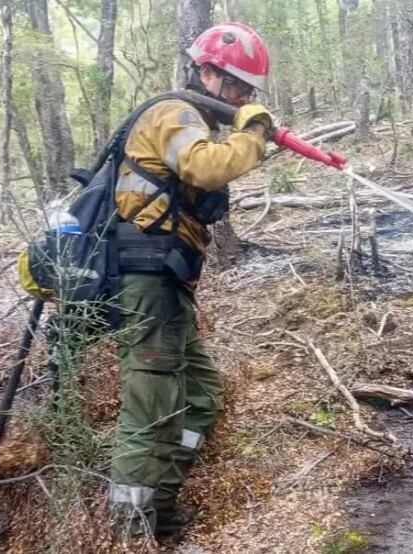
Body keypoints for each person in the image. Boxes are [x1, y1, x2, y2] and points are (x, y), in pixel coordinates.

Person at [107, 22, 273, 538]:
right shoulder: (172, 113)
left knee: (200, 394)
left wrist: (251, 137)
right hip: (146, 277)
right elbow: (204, 168)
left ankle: (162, 499)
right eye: (237, 87)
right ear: (206, 72)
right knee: (150, 406)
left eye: (249, 90)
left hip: (168, 278)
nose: (243, 96)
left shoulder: (195, 121)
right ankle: (130, 532)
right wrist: (254, 134)